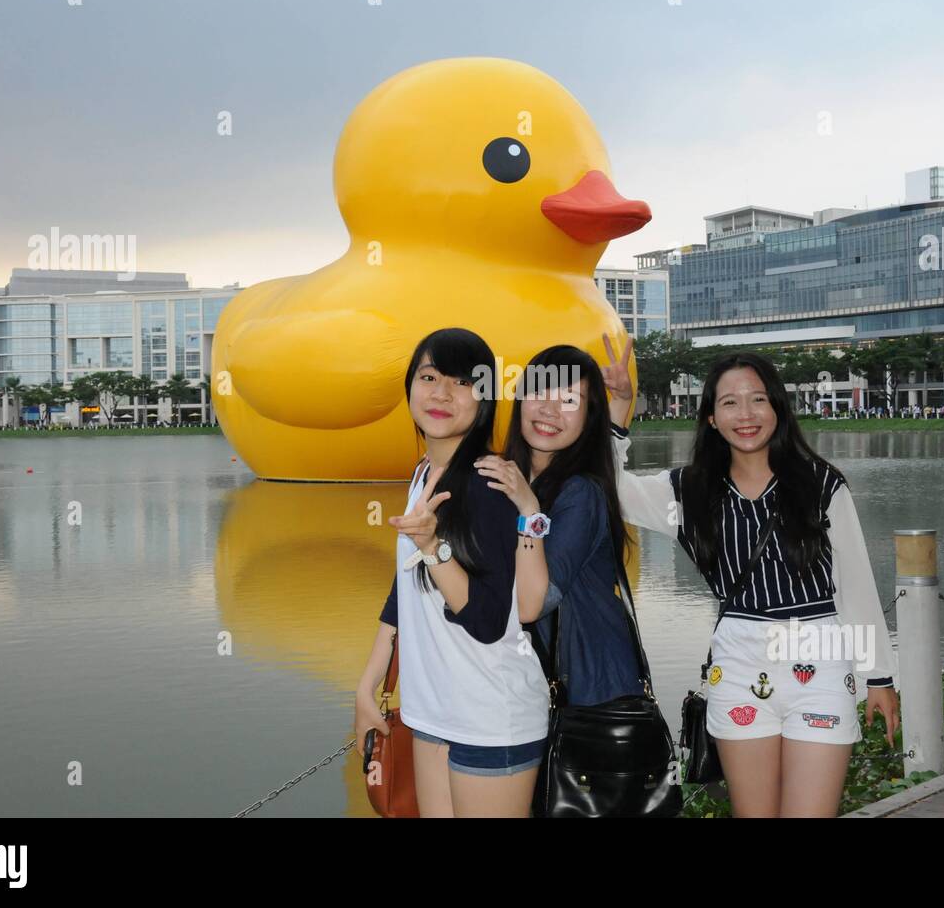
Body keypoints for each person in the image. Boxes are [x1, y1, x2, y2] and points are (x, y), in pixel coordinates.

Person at [601, 337, 899, 818]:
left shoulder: (821, 484)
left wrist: (880, 677)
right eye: (730, 402)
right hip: (739, 665)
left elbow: (856, 587)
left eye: (758, 399)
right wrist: (617, 410)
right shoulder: (688, 491)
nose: (746, 413)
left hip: (820, 663)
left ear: (777, 408)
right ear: (711, 418)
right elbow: (611, 491)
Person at [353, 328, 549, 817]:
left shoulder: (488, 482)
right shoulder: (425, 473)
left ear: (484, 399)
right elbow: (405, 590)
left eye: (462, 382)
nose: (441, 393)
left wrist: (432, 546)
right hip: (430, 711)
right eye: (428, 376)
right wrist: (367, 684)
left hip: (490, 716)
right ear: (410, 387)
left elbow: (485, 620)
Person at [474, 344, 643, 710]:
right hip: (531, 687)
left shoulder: (581, 492)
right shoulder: (504, 477)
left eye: (569, 399)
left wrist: (528, 509)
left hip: (593, 695)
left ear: (588, 416)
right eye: (539, 392)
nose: (550, 410)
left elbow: (534, 602)